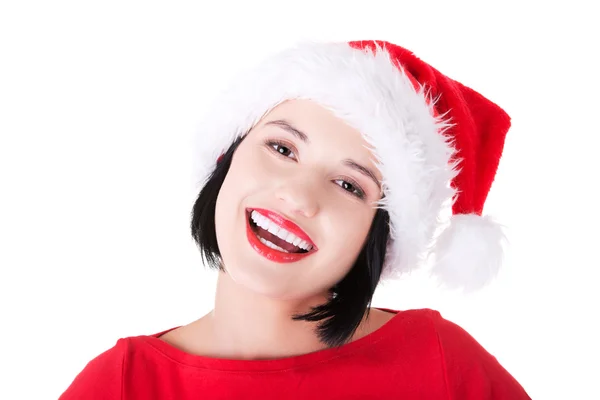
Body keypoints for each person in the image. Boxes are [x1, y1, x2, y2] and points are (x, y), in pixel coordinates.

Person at [59, 40, 531, 399]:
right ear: (228, 157)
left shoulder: (443, 365)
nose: (299, 197)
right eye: (282, 148)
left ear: (379, 236)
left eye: (350, 185)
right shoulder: (121, 384)